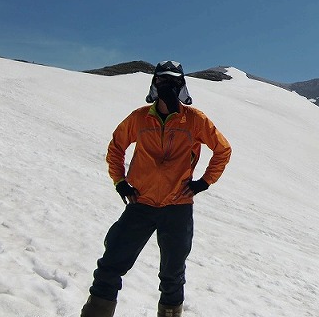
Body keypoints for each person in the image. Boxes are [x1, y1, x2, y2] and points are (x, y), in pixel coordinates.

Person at [80, 60, 232, 317]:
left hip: (177, 207)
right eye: (163, 80)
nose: (167, 86)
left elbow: (223, 149)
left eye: (173, 81)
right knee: (111, 263)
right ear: (154, 83)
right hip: (141, 203)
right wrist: (120, 181)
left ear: (181, 85)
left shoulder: (194, 120)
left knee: (173, 275)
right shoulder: (140, 118)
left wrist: (204, 182)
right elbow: (116, 147)